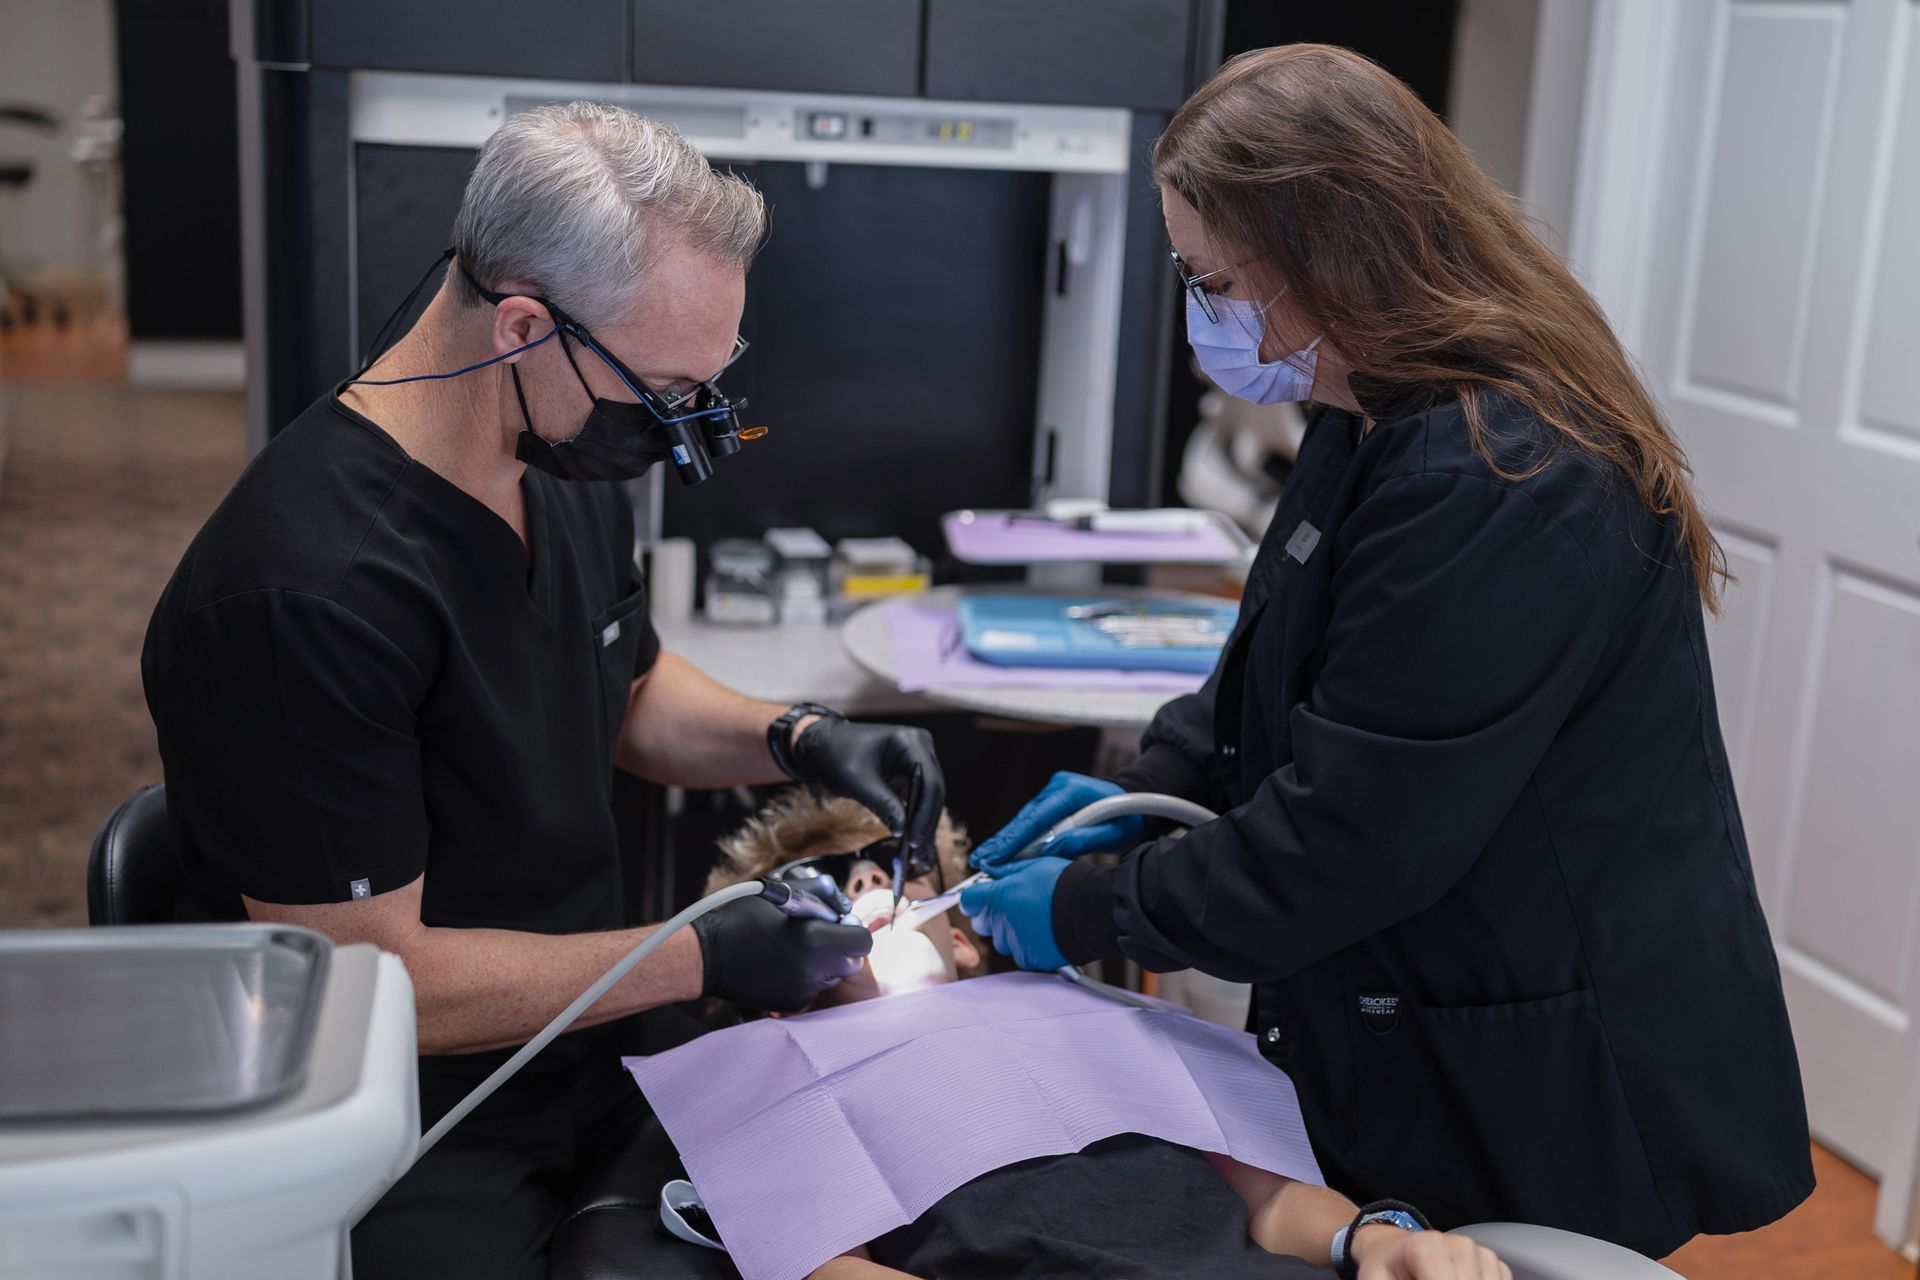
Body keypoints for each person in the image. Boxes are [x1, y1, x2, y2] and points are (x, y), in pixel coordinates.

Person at [960, 44, 1813, 1259]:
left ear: (1328, 250)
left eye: (1215, 281)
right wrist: (1151, 791)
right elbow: (1267, 672)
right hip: (1420, 999)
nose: (1204, 314)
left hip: (1547, 1049)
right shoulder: (1367, 412)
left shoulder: (1508, 471)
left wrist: (1099, 905)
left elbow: (1352, 831)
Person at [141, 102, 944, 1280]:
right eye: (666, 389)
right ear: (523, 326)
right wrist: (703, 956)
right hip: (412, 1105)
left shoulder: (553, 463)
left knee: (904, 1188)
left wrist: (803, 737)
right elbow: (374, 984)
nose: (684, 431)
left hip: (590, 1040)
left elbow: (627, 688)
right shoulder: (297, 593)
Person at [699, 790, 1512, 1280]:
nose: (869, 879)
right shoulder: (790, 1078)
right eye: (828, 885)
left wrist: (1370, 1242)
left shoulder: (1103, 1022)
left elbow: (1271, 1203)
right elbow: (824, 1264)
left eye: (888, 858)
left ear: (964, 937)